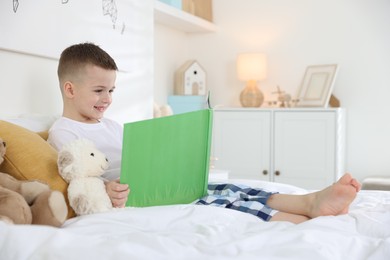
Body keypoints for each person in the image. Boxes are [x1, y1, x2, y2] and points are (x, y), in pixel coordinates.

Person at [48, 42, 361, 224]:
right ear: (70, 89)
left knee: (229, 186)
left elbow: (137, 159)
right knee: (219, 202)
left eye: (112, 90)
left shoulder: (112, 126)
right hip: (131, 199)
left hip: (151, 183)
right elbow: (78, 182)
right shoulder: (63, 133)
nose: (108, 99)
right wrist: (107, 189)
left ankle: (310, 202)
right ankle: (300, 219)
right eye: (99, 90)